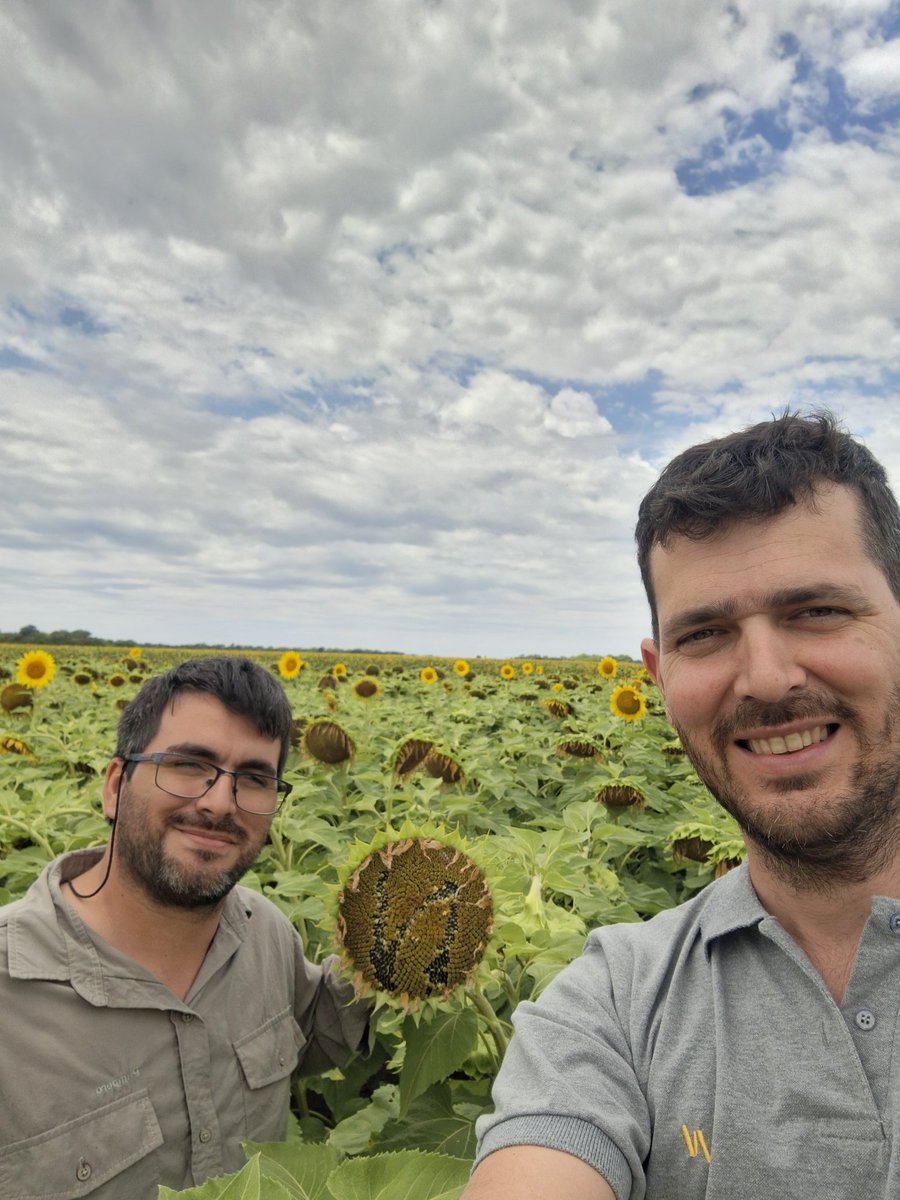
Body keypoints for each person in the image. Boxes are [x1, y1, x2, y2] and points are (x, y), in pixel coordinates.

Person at [464, 410, 900, 1199]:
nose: (766, 677)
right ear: (657, 675)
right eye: (706, 633)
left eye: (818, 611)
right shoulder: (615, 1004)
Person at [0, 656, 369, 1198]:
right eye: (188, 765)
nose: (220, 802)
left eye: (255, 779)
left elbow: (316, 1029)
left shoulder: (265, 932)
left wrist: (409, 938)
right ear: (115, 785)